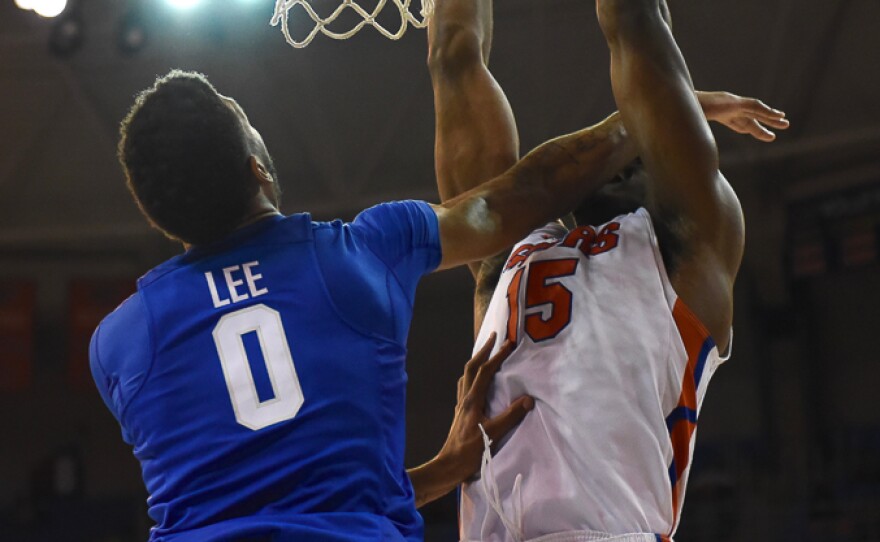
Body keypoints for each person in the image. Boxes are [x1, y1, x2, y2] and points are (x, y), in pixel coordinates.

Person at [90, 67, 672, 541]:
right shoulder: (363, 256)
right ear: (258, 169)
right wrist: (664, 109)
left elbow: (264, 500)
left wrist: (443, 471)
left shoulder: (120, 343)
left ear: (157, 216)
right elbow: (524, 195)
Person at [426, 0, 790, 540]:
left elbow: (637, 26)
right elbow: (453, 57)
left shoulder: (687, 250)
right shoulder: (510, 250)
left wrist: (688, 105)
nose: (628, 152)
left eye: (644, 149)